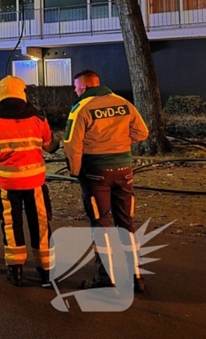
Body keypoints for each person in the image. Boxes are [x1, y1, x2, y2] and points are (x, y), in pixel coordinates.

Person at [63, 69, 149, 293]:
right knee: (126, 224)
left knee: (102, 226)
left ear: (83, 87)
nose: (75, 90)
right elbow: (142, 133)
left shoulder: (81, 108)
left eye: (76, 87)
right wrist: (118, 143)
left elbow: (72, 145)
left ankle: (105, 277)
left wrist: (75, 171)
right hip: (124, 171)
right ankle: (136, 277)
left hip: (95, 174)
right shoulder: (123, 103)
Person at [0, 76, 59, 287]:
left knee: (11, 225)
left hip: (8, 184)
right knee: (40, 224)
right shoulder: (37, 120)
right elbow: (50, 146)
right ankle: (46, 272)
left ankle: (16, 272)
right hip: (35, 184)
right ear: (23, 93)